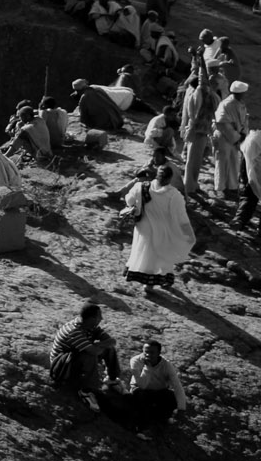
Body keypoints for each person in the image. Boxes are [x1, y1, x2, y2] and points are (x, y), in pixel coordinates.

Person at [124, 164, 195, 292]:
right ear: (170, 179)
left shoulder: (141, 187)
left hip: (143, 228)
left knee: (144, 253)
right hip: (164, 231)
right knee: (161, 256)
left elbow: (129, 200)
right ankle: (153, 283)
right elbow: (182, 218)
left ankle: (147, 282)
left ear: (157, 175)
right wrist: (189, 234)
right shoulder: (175, 195)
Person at [103, 339, 188, 429]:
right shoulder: (136, 361)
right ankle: (142, 424)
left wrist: (181, 408)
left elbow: (177, 386)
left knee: (171, 397)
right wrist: (148, 367)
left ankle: (163, 419)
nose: (148, 355)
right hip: (140, 390)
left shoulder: (166, 365)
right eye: (146, 352)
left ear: (159, 353)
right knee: (141, 399)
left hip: (160, 391)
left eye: (152, 352)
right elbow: (142, 385)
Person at [48, 303, 119, 393]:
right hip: (61, 367)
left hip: (74, 359)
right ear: (91, 318)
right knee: (89, 356)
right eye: (99, 316)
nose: (101, 318)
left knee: (109, 349)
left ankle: (112, 379)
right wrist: (98, 346)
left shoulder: (90, 326)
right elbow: (94, 352)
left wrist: (97, 345)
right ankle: (90, 389)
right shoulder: (74, 331)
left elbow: (112, 341)